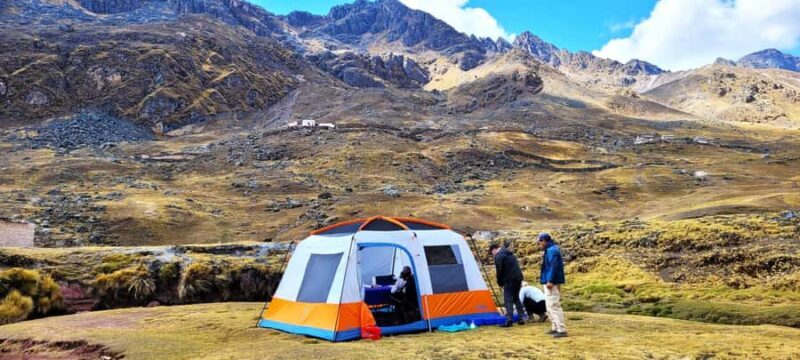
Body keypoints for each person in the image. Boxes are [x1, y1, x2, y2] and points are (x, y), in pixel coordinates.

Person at [489, 242, 526, 327]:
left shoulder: (499, 255)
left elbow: (499, 270)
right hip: (518, 278)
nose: (493, 255)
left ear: (494, 250)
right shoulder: (510, 253)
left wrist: (499, 282)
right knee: (516, 298)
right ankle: (522, 317)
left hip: (509, 280)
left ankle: (509, 320)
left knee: (508, 299)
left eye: (492, 253)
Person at [538, 232, 567, 338]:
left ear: (544, 241)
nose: (539, 244)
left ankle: (561, 329)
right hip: (550, 280)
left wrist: (550, 280)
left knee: (553, 305)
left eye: (539, 242)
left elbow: (552, 266)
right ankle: (555, 326)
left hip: (551, 282)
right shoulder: (551, 250)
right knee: (549, 305)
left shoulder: (551, 251)